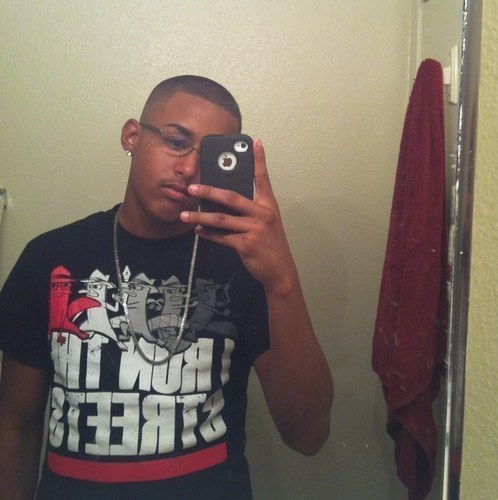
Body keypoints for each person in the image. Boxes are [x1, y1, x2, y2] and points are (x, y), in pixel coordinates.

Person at [0, 75, 333, 499]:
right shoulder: (51, 258)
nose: (189, 169)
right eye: (176, 141)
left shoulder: (242, 265)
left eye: (208, 156)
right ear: (132, 137)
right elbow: (15, 424)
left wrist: (282, 279)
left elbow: (308, 435)